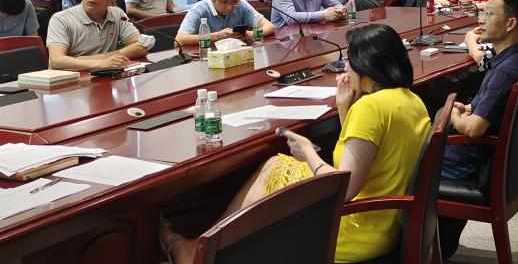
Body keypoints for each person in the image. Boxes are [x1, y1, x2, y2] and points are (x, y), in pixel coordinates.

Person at [160, 24, 431, 264]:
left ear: (367, 65)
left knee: (273, 169)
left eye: (350, 60)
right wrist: (344, 109)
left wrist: (307, 154)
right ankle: (204, 250)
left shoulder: (370, 107)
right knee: (276, 167)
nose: (346, 68)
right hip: (389, 223)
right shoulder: (410, 100)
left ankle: (203, 253)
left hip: (354, 231)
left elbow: (345, 187)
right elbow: (366, 157)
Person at [438, 0, 518, 260]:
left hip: (470, 163)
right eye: (482, 13)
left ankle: (420, 248)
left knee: (403, 160)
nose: (480, 19)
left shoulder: (506, 70)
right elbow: (492, 108)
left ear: (511, 24)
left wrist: (453, 114)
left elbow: (475, 130)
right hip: (495, 159)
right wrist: (471, 108)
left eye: (489, 14)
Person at [45, 0, 146, 71]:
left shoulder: (117, 14)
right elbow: (57, 60)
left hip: (106, 75)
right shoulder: (61, 19)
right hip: (71, 78)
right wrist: (101, 63)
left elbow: (141, 46)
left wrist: (101, 58)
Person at [176, 0, 276, 47]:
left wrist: (251, 35)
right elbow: (179, 40)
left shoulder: (241, 4)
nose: (230, 7)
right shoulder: (199, 9)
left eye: (234, 1)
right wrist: (217, 36)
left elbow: (270, 27)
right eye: (224, 1)